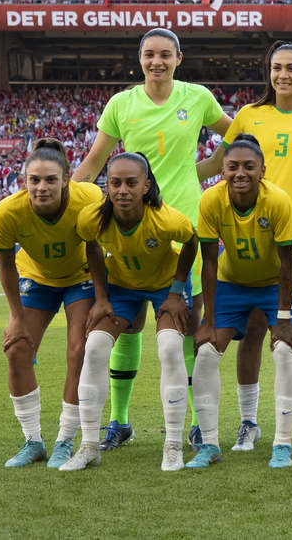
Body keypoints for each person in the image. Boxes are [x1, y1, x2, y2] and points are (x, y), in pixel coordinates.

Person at [72, 28, 231, 450]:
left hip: (185, 227)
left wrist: (204, 170)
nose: (156, 61)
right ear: (139, 59)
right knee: (127, 326)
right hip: (130, 224)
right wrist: (64, 199)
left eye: (165, 54)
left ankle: (200, 422)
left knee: (189, 322)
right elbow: (94, 162)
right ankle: (120, 422)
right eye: (149, 54)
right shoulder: (121, 104)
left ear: (179, 58)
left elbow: (238, 137)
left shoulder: (197, 97)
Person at [214, 42, 292, 453]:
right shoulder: (249, 116)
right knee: (252, 329)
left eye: (291, 69)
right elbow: (223, 161)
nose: (283, 75)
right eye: (277, 68)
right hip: (254, 232)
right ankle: (249, 423)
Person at [60, 153, 199, 471]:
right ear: (106, 185)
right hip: (120, 288)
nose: (122, 190)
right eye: (115, 182)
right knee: (94, 348)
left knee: (169, 347)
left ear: (146, 186)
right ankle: (89, 446)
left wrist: (177, 292)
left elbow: (191, 242)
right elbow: (91, 246)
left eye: (131, 183)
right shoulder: (92, 218)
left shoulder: (167, 219)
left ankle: (173, 445)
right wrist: (101, 297)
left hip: (165, 286)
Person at [187, 135, 292, 470]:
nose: (240, 173)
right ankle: (209, 444)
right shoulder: (210, 200)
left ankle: (283, 444)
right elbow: (208, 262)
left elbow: (288, 263)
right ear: (221, 170)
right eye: (232, 166)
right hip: (231, 283)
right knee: (207, 351)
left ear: (262, 170)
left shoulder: (278, 200)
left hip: (272, 284)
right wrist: (207, 320)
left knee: (283, 349)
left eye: (248, 166)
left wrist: (282, 317)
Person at [0, 139, 101, 468]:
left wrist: (102, 297)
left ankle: (66, 439)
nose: (41, 187)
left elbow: (96, 249)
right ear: (24, 180)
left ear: (67, 177)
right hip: (36, 278)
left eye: (50, 179)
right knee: (16, 348)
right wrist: (15, 315)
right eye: (34, 180)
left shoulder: (89, 199)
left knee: (79, 350)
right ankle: (33, 441)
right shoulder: (8, 211)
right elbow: (6, 263)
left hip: (80, 277)